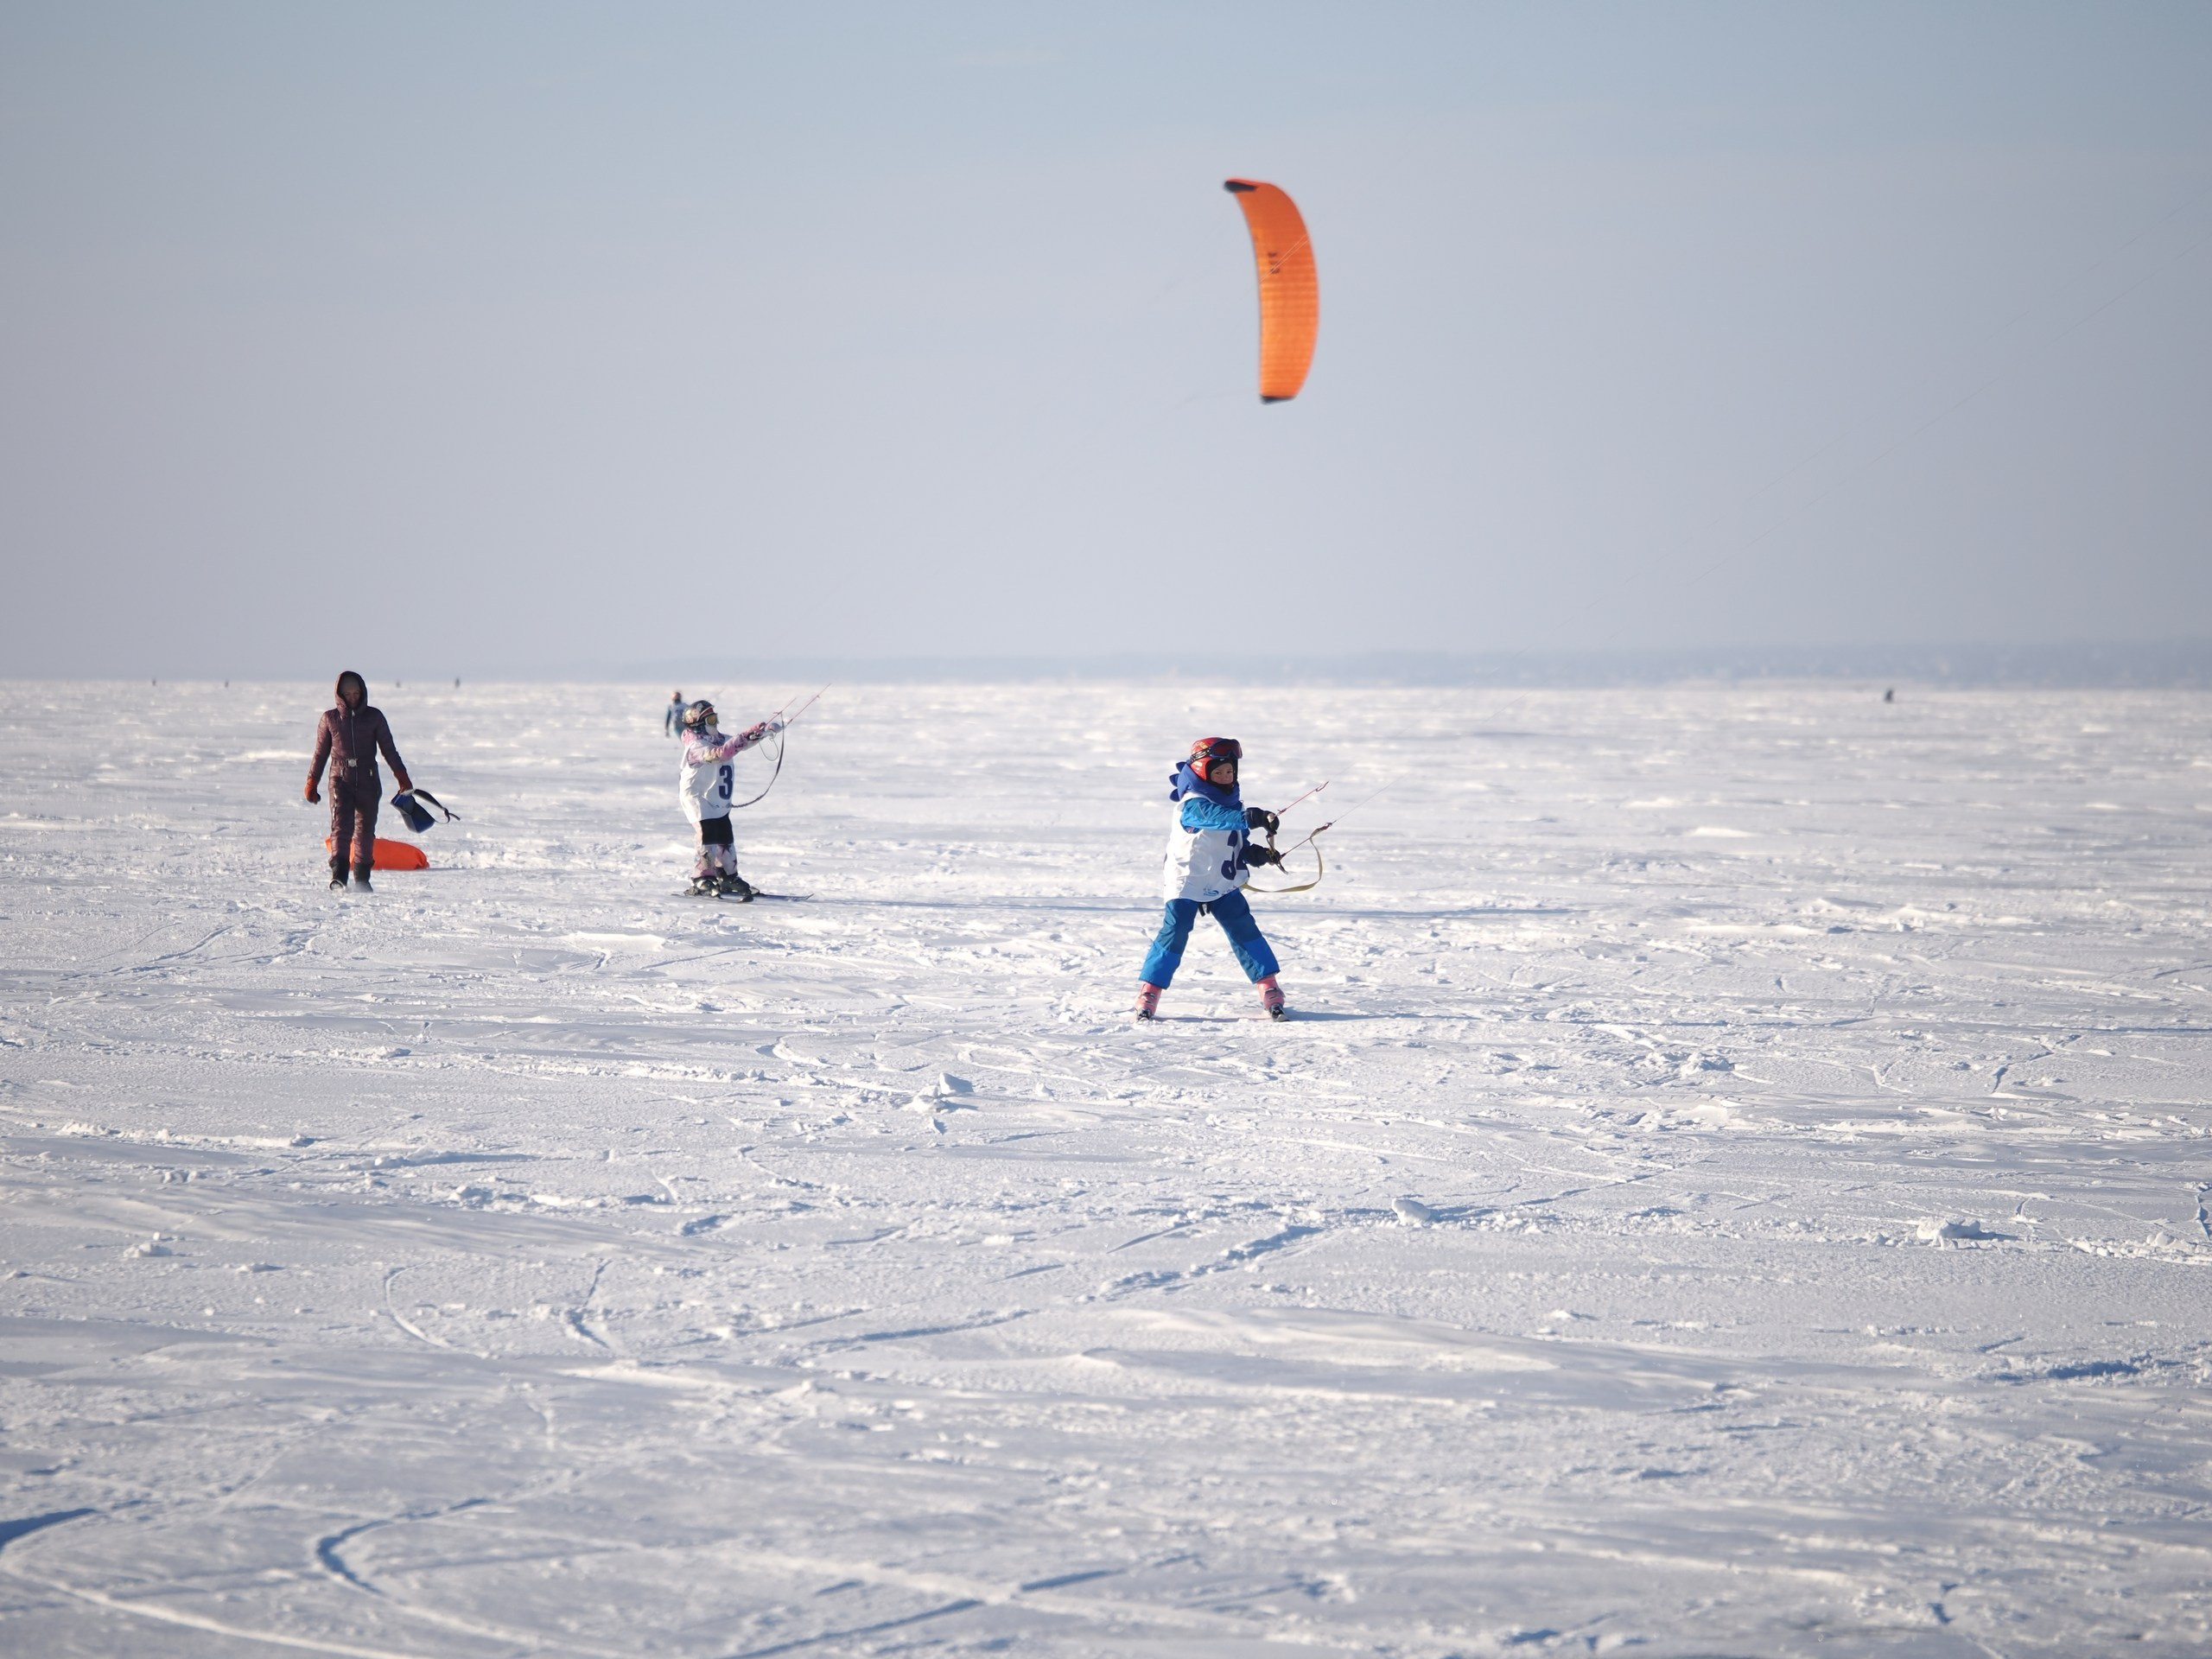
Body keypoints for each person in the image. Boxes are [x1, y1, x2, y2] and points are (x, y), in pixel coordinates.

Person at [1135, 736, 1288, 1020]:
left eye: (1230, 771)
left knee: (1243, 927)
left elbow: (1235, 841)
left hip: (1221, 883)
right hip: (1187, 882)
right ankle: (1150, 990)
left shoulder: (1234, 806)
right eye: (1218, 772)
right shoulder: (1193, 803)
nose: (1226, 776)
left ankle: (1268, 985)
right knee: (1176, 929)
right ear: (1202, 772)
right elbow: (1215, 817)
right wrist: (1252, 817)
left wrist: (1257, 854)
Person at [305, 671, 413, 893]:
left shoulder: (374, 717)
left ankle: (362, 879)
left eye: (356, 693)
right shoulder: (329, 719)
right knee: (341, 827)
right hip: (340, 778)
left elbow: (389, 750)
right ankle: (339, 876)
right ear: (339, 695)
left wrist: (401, 776)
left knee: (365, 830)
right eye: (348, 694)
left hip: (368, 778)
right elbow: (320, 754)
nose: (353, 698)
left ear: (362, 692)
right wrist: (312, 781)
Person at [677, 699, 783, 898]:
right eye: (711, 720)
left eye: (715, 718)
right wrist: (742, 737)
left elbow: (740, 743)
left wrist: (763, 732)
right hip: (697, 798)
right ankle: (702, 878)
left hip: (717, 799)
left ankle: (727, 876)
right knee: (707, 835)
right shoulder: (696, 746)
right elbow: (720, 754)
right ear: (699, 724)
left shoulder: (718, 739)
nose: (716, 723)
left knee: (725, 838)